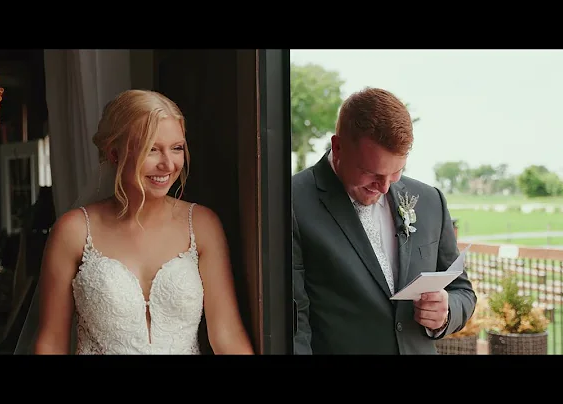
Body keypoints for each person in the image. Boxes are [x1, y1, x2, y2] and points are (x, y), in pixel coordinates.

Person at [34, 89, 254, 355]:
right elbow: (51, 344)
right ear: (114, 154)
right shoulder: (74, 231)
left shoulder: (202, 224)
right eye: (152, 149)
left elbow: (227, 336)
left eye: (176, 148)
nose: (168, 164)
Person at [291, 87, 477, 355]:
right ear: (338, 146)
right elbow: (296, 325)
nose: (385, 187)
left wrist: (447, 311)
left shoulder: (430, 200)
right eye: (371, 173)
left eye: (397, 172)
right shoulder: (293, 201)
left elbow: (462, 290)